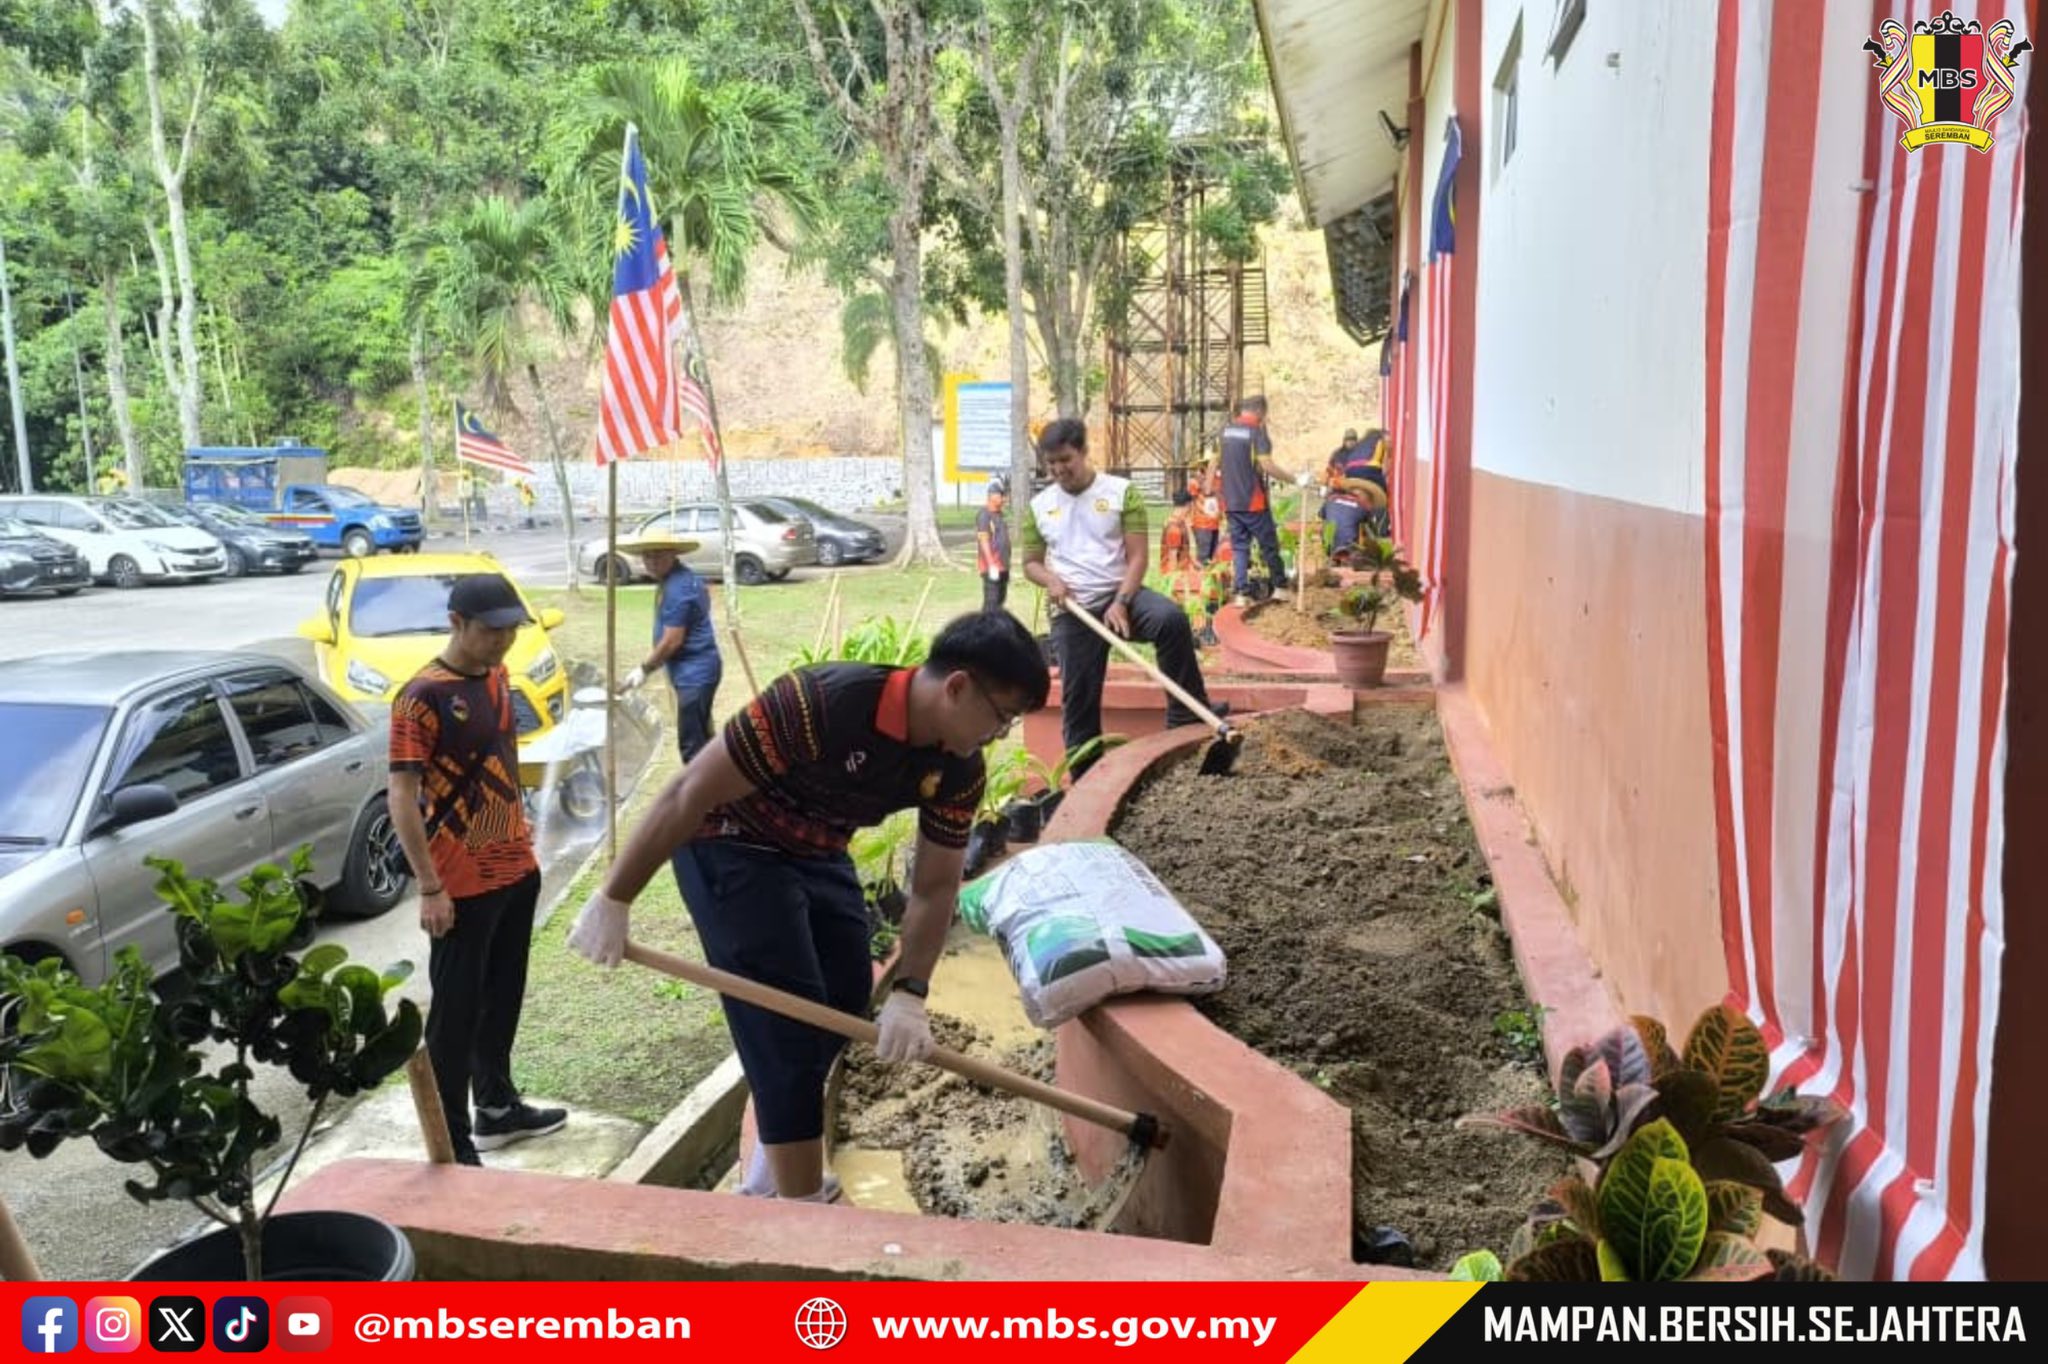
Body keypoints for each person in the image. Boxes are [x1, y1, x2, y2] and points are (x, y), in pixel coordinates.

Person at [567, 612, 1051, 1202]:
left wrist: (910, 992)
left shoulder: (956, 767)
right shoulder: (821, 702)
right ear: (956, 687)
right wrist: (614, 898)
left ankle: (778, 1137)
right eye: (1000, 719)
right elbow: (690, 790)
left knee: (846, 1001)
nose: (996, 736)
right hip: (729, 841)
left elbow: (934, 887)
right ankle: (799, 1212)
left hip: (818, 850)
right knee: (788, 1033)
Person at [388, 574, 566, 1166]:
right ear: (456, 622)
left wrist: (520, 826)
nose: (504, 640)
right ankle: (452, 1142)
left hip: (514, 866)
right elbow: (401, 797)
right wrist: (430, 887)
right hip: (458, 882)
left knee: (503, 996)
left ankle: (496, 1106)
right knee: (456, 1014)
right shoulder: (421, 697)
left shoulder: (498, 677)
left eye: (512, 628)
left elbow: (501, 762)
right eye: (492, 630)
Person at [1023, 418, 1223, 759]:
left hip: (1123, 595)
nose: (1058, 469)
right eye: (1051, 462)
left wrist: (1121, 601)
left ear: (1084, 452)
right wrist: (1051, 580)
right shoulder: (1039, 507)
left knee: (1170, 620)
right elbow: (1030, 563)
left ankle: (1185, 717)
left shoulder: (1120, 492)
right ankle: (1085, 775)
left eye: (1065, 459)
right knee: (1079, 699)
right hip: (1074, 610)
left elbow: (1139, 558)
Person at [619, 535, 723, 762]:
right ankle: (714, 788)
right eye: (647, 556)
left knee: (692, 745)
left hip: (695, 674)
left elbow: (672, 641)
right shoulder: (678, 578)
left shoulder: (679, 587)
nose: (652, 561)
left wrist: (644, 669)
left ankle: (700, 794)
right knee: (703, 736)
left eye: (658, 555)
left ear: (673, 555)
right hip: (694, 671)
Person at [1218, 395, 1306, 606]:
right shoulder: (1256, 433)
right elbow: (1266, 465)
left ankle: (1241, 593)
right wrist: (1295, 479)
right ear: (1260, 412)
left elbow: (1214, 463)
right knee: (1269, 545)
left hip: (1230, 501)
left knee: (1240, 547)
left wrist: (1211, 489)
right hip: (1253, 501)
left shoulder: (1224, 432)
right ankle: (1280, 587)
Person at [1324, 428, 1390, 561]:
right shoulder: (1382, 440)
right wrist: (1383, 478)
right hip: (1370, 469)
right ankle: (1381, 531)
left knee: (1355, 504)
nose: (1350, 442)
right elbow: (1387, 463)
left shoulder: (1358, 445)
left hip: (1350, 473)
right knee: (1382, 502)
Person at [976, 476, 1012, 613]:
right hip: (992, 567)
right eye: (1001, 495)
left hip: (1003, 566)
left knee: (1000, 601)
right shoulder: (984, 515)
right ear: (992, 495)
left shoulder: (1000, 515)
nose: (1004, 499)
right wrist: (991, 564)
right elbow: (984, 540)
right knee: (991, 604)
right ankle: (984, 631)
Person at [1190, 463, 1223, 564]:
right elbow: (1192, 500)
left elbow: (1221, 497)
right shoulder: (1195, 481)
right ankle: (1200, 578)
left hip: (1215, 523)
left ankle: (1210, 577)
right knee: (1203, 556)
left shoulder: (1219, 480)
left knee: (1213, 556)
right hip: (1201, 523)